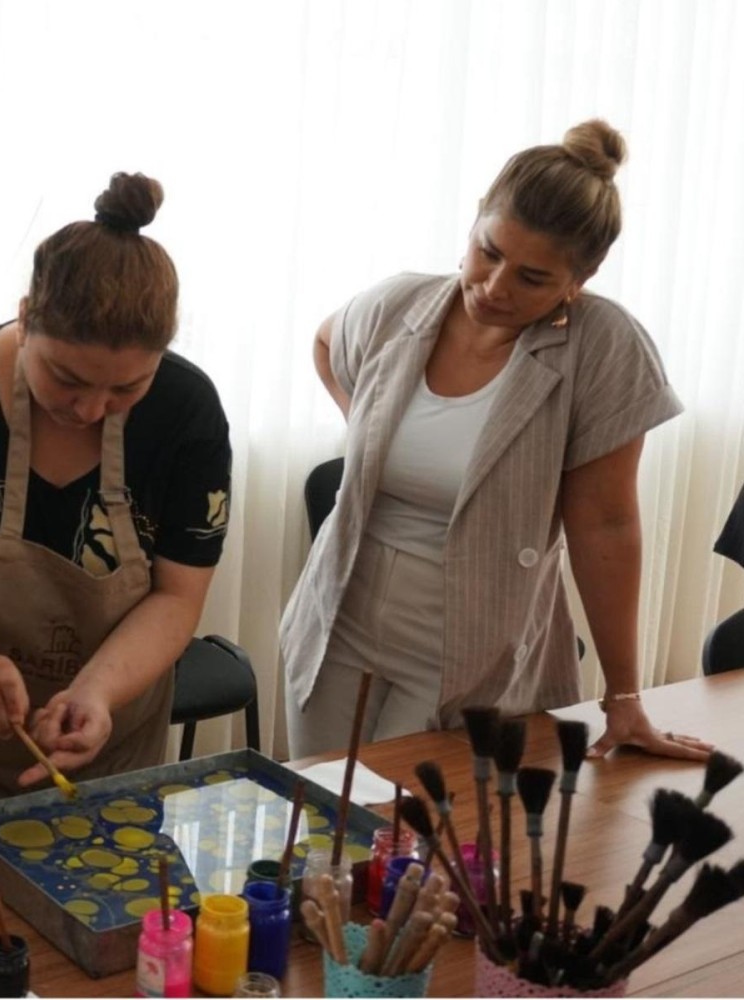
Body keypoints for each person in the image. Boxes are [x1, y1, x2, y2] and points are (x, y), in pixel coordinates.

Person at [281, 120, 713, 763]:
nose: (494, 287)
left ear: (581, 277)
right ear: (477, 221)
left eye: (533, 278)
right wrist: (367, 427)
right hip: (336, 620)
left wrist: (623, 696)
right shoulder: (399, 304)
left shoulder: (602, 348)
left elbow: (607, 526)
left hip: (468, 641)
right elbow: (325, 342)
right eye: (489, 252)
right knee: (322, 815)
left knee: (418, 837)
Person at [0, 172, 232, 845]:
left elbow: (177, 597)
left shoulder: (187, 413)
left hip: (108, 741)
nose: (90, 409)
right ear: (26, 316)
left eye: (127, 388)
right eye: (66, 377)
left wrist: (97, 692)